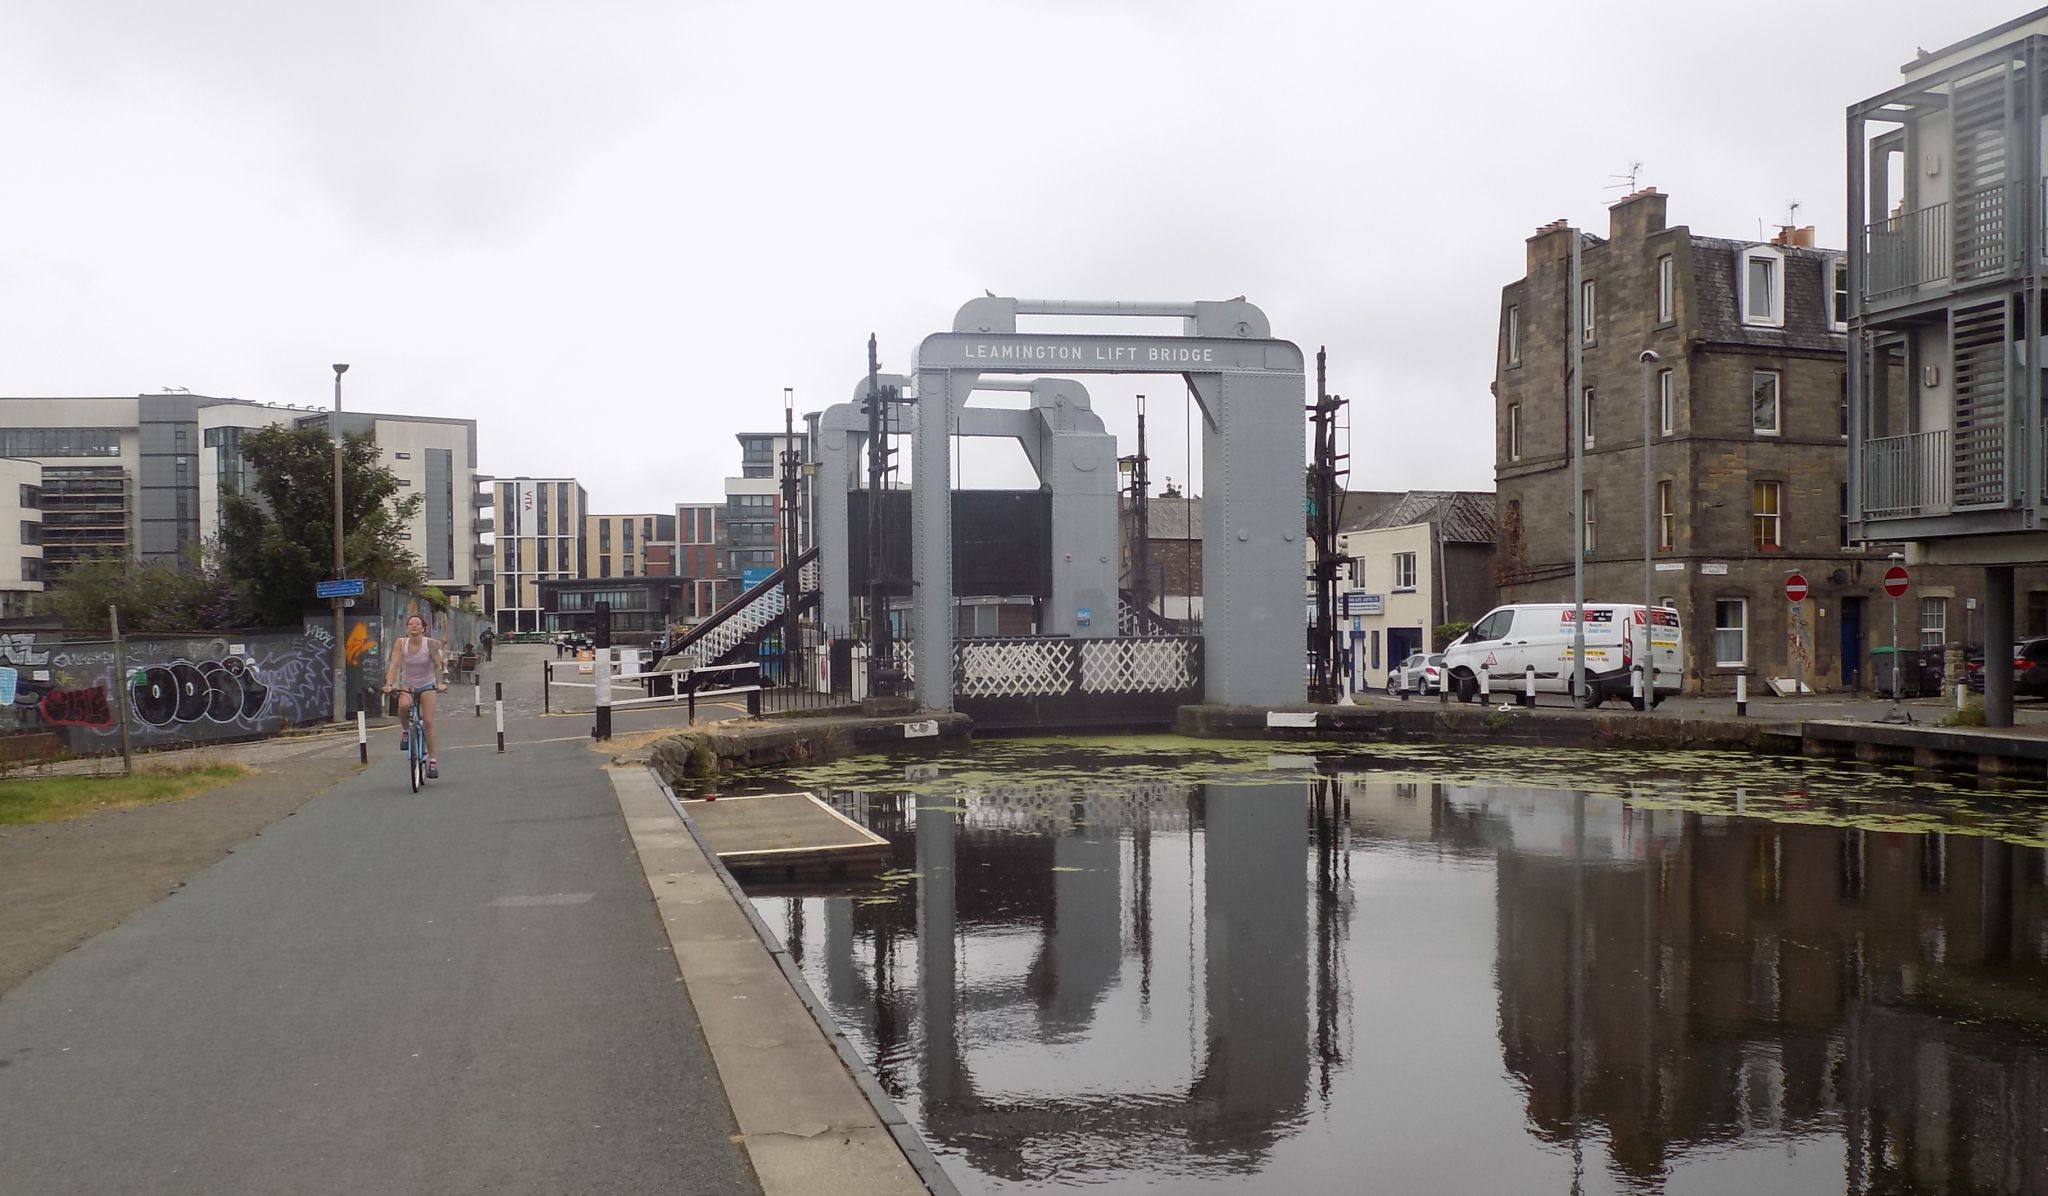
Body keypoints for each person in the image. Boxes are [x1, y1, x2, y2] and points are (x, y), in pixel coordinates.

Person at [383, 612, 448, 779]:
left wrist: (440, 683)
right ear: (407, 627)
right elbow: (394, 664)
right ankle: (406, 731)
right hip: (408, 684)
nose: (413, 626)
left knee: (428, 721)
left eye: (417, 624)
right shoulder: (401, 643)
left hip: (427, 684)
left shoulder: (430, 644)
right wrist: (389, 684)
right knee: (403, 705)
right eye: (410, 623)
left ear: (423, 628)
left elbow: (437, 665)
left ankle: (432, 760)